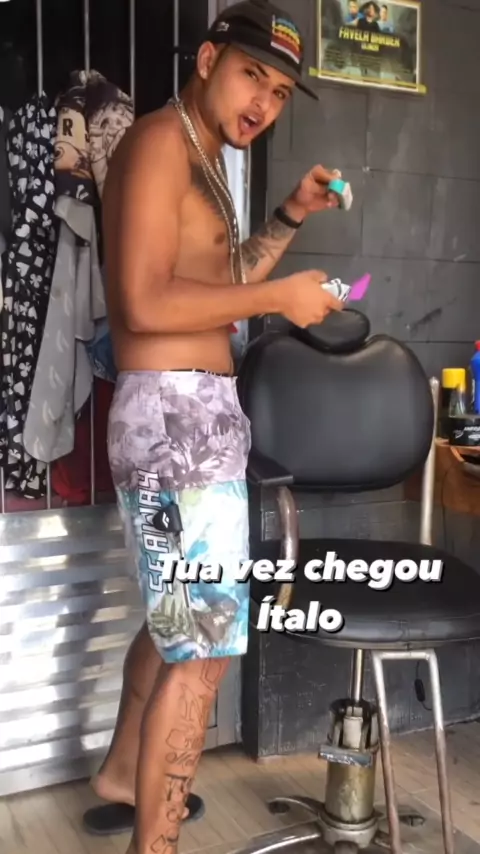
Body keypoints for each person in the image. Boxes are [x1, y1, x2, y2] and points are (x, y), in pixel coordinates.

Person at [85, 2, 345, 852]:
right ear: (206, 60)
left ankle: (123, 773)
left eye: (279, 93)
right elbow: (142, 302)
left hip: (185, 418)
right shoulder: (160, 142)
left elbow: (219, 278)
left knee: (178, 626)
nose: (262, 103)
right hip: (175, 422)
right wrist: (280, 298)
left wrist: (291, 214)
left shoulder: (204, 154)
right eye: (250, 76)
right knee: (203, 647)